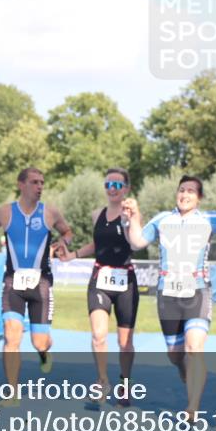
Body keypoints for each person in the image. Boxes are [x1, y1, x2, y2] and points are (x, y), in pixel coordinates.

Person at [123, 176, 216, 418]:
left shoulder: (209, 219)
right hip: (168, 294)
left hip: (197, 290)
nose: (185, 194)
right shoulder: (162, 219)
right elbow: (136, 242)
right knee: (175, 355)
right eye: (181, 190)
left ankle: (192, 408)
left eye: (191, 191)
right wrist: (132, 218)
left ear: (199, 198)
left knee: (195, 347)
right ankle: (185, 372)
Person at [0, 167, 73, 405]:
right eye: (35, 182)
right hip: (12, 282)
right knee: (11, 335)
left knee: (39, 341)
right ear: (21, 184)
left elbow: (67, 231)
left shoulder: (50, 213)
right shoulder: (4, 213)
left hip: (41, 283)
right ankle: (12, 392)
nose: (40, 187)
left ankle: (44, 352)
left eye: (42, 183)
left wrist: (62, 242)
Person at [58, 168, 138, 407]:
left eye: (117, 185)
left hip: (125, 281)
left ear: (126, 189)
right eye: (108, 185)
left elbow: (134, 242)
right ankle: (102, 381)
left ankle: (124, 384)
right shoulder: (97, 214)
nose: (112, 189)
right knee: (98, 335)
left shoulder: (132, 214)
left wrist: (128, 220)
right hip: (100, 278)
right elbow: (97, 242)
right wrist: (73, 254)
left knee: (125, 343)